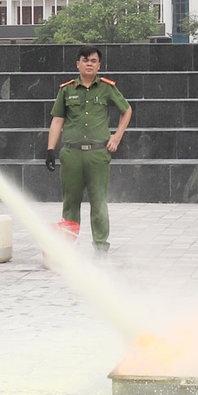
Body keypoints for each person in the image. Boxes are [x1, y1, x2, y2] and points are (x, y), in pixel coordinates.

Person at [46, 45, 132, 256]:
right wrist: (50, 149)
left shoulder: (106, 88)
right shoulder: (66, 90)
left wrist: (117, 136)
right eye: (85, 60)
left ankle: (101, 247)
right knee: (70, 202)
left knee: (98, 202)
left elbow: (127, 110)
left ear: (99, 65)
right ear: (78, 64)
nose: (89, 64)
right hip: (72, 154)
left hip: (97, 154)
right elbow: (57, 120)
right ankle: (68, 247)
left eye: (93, 61)